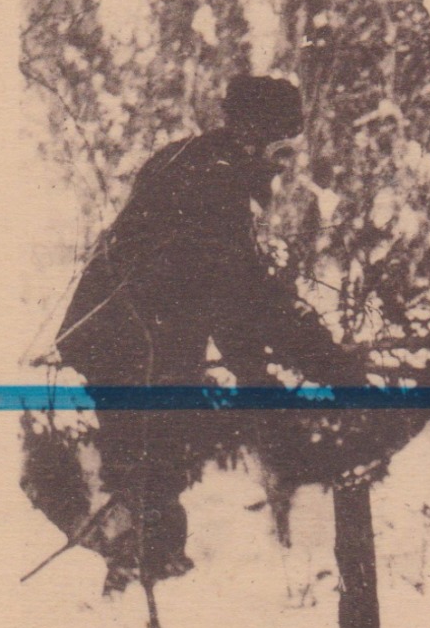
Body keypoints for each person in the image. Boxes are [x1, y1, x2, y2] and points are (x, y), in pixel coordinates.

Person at [54, 75, 357, 592]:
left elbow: (222, 287)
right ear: (251, 137)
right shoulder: (213, 183)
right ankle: (142, 581)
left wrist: (257, 367)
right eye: (282, 149)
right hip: (131, 338)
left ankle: (144, 572)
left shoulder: (193, 160)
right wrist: (319, 360)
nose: (286, 164)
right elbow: (241, 295)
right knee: (153, 460)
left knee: (154, 457)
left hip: (129, 332)